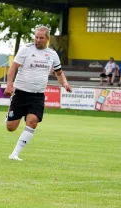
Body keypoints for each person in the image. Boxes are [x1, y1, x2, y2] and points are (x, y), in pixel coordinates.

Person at [4, 27, 72, 161]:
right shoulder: (26, 49)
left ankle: (15, 154)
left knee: (33, 121)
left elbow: (59, 73)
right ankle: (8, 116)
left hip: (37, 95)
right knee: (11, 127)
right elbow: (13, 67)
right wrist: (9, 84)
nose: (38, 40)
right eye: (36, 37)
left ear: (47, 39)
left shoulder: (52, 54)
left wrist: (64, 83)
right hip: (21, 93)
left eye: (41, 38)